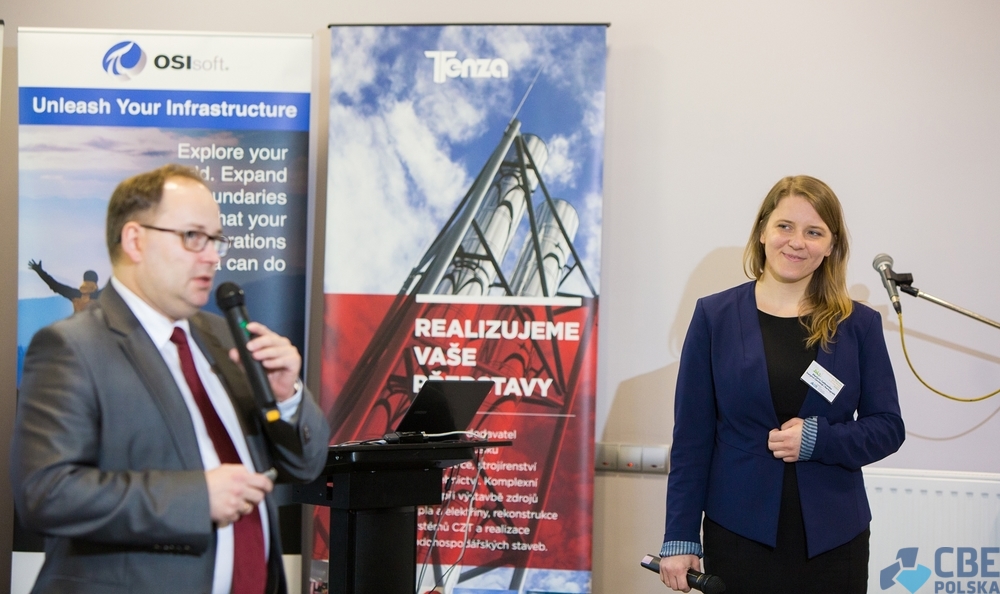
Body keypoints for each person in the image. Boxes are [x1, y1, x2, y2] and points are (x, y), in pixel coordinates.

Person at [11, 164, 331, 594]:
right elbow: (46, 494)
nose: (212, 256)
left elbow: (304, 465)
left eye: (216, 240)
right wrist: (197, 498)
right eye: (193, 236)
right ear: (135, 240)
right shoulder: (72, 347)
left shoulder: (224, 338)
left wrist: (287, 397)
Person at [658, 175, 905, 593]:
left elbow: (888, 428)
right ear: (762, 231)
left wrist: (820, 440)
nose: (796, 242)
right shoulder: (714, 317)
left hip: (834, 540)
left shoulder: (858, 324)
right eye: (785, 226)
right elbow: (692, 439)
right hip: (738, 536)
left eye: (814, 232)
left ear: (831, 245)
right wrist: (680, 536)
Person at [27, 260, 102, 312]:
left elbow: (54, 285)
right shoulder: (101, 295)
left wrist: (39, 271)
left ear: (84, 281)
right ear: (96, 281)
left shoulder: (74, 294)